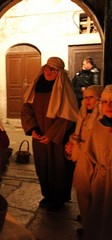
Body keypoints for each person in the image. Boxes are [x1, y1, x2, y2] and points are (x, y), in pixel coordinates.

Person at [21, 56, 79, 213]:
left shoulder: (64, 89)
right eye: (47, 67)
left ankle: (59, 198)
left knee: (58, 168)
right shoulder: (37, 86)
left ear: (59, 72)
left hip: (57, 138)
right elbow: (27, 110)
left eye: (53, 69)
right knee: (42, 166)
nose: (49, 71)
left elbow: (69, 116)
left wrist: (52, 135)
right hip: (39, 135)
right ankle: (48, 195)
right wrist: (32, 129)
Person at [64, 85, 104, 236]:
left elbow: (96, 144)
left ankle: (91, 228)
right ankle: (87, 222)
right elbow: (78, 134)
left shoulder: (101, 119)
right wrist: (71, 143)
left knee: (94, 197)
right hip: (81, 161)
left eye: (91, 97)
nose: (87, 100)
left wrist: (77, 147)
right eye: (85, 97)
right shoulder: (84, 114)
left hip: (93, 164)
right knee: (83, 194)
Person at [75, 84, 112, 240]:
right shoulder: (99, 125)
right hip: (100, 179)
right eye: (105, 102)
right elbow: (89, 152)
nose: (108, 105)